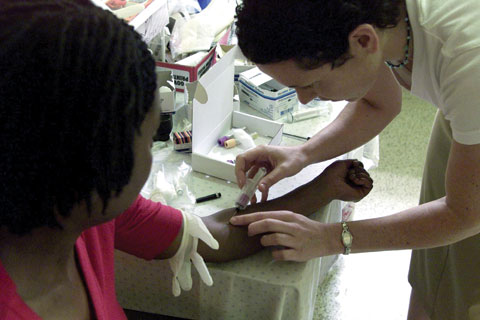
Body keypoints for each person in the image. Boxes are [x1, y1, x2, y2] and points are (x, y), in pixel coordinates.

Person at [0, 1, 374, 319]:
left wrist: (321, 189)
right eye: (149, 144)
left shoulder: (90, 210)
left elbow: (217, 236)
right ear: (102, 162)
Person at [231, 0, 480, 319]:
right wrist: (302, 154)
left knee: (466, 292)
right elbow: (380, 103)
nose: (304, 99)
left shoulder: (467, 62)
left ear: (363, 41)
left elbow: (464, 214)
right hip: (464, 108)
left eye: (311, 83)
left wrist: (333, 237)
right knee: (436, 266)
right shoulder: (374, 19)